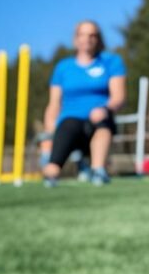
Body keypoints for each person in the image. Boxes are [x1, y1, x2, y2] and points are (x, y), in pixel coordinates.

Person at [42, 20, 126, 187]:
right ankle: (52, 172)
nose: (87, 39)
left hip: (98, 119)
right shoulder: (63, 67)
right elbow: (54, 104)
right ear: (75, 39)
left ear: (99, 39)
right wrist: (50, 129)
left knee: (102, 121)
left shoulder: (111, 61)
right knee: (55, 153)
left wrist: (105, 108)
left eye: (92, 35)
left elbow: (119, 97)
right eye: (82, 35)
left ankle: (98, 170)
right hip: (69, 121)